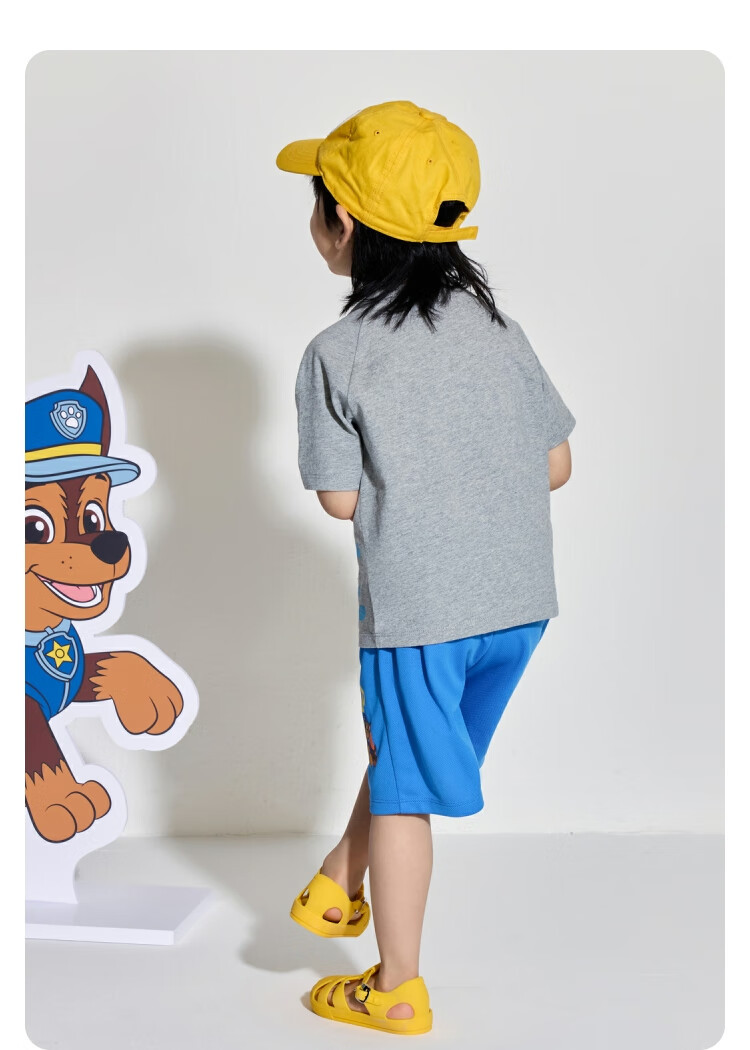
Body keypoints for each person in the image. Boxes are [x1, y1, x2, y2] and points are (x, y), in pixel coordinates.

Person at [276, 99, 575, 1036]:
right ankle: (339, 880)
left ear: (344, 220)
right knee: (411, 752)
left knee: (406, 785)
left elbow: (339, 500)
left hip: (421, 613)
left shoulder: (338, 353)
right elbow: (557, 464)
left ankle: (397, 988)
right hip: (520, 605)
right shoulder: (500, 330)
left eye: (316, 203)